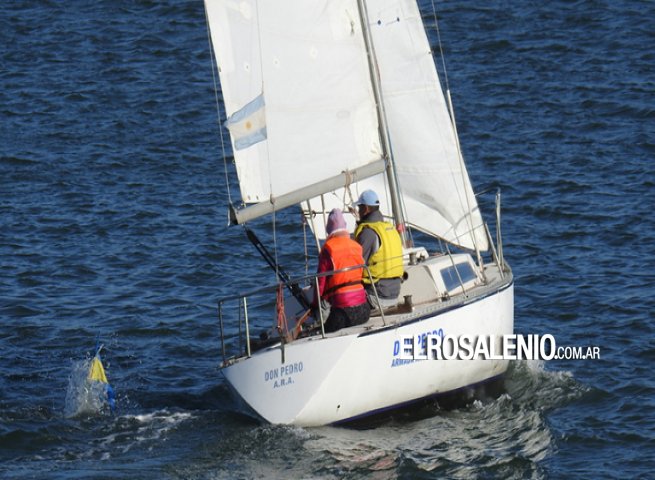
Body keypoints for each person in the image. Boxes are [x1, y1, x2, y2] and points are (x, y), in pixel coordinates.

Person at [314, 208, 371, 333]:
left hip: (342, 313)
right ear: (345, 227)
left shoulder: (328, 249)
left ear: (328, 229)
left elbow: (320, 285)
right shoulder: (357, 246)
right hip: (365, 311)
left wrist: (314, 306)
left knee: (321, 330)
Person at [354, 189, 404, 309]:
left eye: (359, 208)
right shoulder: (390, 229)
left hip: (376, 296)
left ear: (365, 209)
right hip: (395, 294)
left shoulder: (368, 233)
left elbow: (356, 267)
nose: (358, 211)